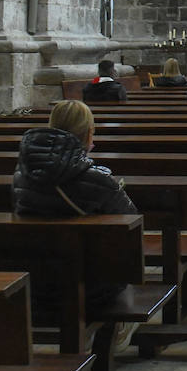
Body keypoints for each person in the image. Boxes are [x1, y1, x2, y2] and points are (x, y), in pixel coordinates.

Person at [12, 100, 137, 312]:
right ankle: (117, 331)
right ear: (89, 134)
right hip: (91, 288)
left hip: (34, 281)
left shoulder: (20, 177)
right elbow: (131, 226)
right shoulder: (99, 181)